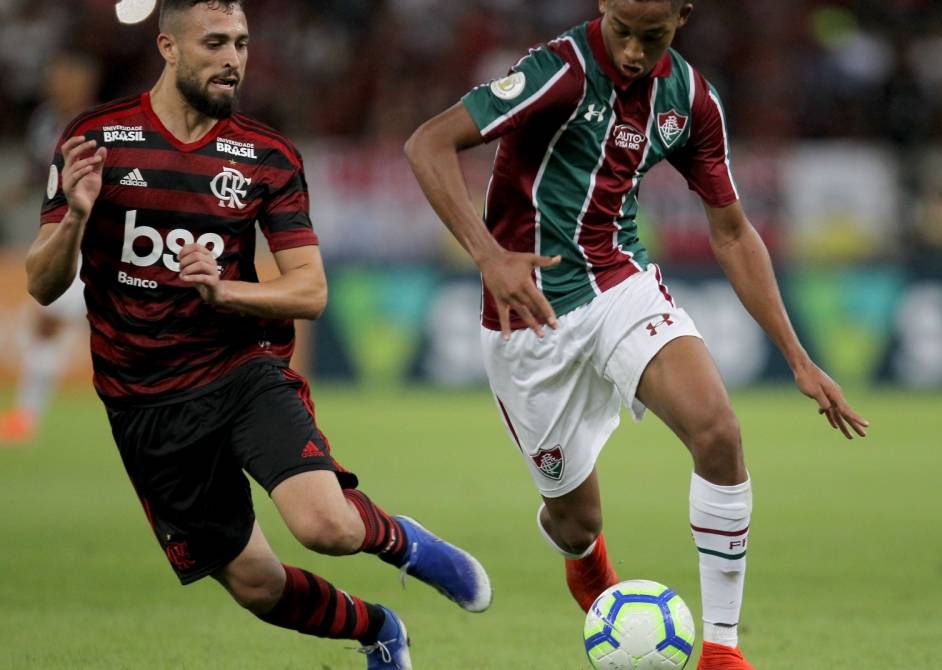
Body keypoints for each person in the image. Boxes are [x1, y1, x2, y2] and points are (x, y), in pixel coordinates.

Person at [24, 2, 490, 668]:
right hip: (144, 404)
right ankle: (378, 629)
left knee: (325, 525)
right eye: (215, 43)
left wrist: (228, 290)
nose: (233, 58)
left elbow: (311, 290)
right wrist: (73, 218)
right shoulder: (97, 139)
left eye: (241, 43)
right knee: (255, 585)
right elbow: (42, 284)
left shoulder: (266, 156)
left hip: (240, 369)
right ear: (169, 47)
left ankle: (405, 545)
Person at [405, 1, 869, 668]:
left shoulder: (689, 99)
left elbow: (732, 231)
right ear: (603, 7)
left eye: (651, 37)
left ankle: (722, 649)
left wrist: (799, 358)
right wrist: (487, 256)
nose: (631, 52)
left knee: (718, 432)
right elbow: (427, 142)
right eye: (622, 32)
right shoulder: (557, 70)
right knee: (575, 521)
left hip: (621, 285)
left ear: (682, 16)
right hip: (529, 319)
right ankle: (585, 561)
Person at [0, 51, 99, 444]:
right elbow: (39, 169)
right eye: (55, 76)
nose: (58, 84)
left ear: (84, 84)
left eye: (67, 77)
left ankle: (26, 415)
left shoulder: (99, 124)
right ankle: (26, 416)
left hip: (97, 243)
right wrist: (20, 189)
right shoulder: (44, 121)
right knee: (47, 323)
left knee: (53, 323)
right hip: (64, 240)